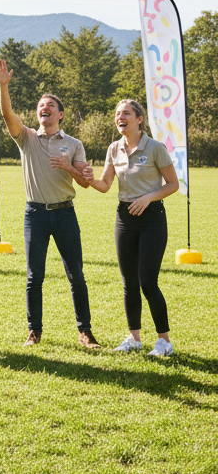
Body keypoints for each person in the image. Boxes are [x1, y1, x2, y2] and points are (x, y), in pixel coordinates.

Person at [0, 59, 100, 349]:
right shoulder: (26, 137)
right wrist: (3, 86)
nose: (45, 108)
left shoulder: (74, 144)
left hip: (65, 214)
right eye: (41, 105)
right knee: (34, 276)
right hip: (35, 215)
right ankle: (34, 332)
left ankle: (85, 333)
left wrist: (69, 167)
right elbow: (6, 114)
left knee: (76, 275)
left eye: (50, 105)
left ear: (60, 114)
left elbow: (86, 183)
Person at [82, 100, 179, 356]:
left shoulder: (155, 148)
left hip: (152, 219)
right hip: (124, 219)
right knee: (128, 283)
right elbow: (105, 185)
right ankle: (134, 338)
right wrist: (88, 178)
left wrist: (148, 198)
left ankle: (164, 342)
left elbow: (173, 184)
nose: (120, 117)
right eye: (117, 114)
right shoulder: (114, 148)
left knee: (148, 282)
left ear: (139, 119)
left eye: (125, 113)